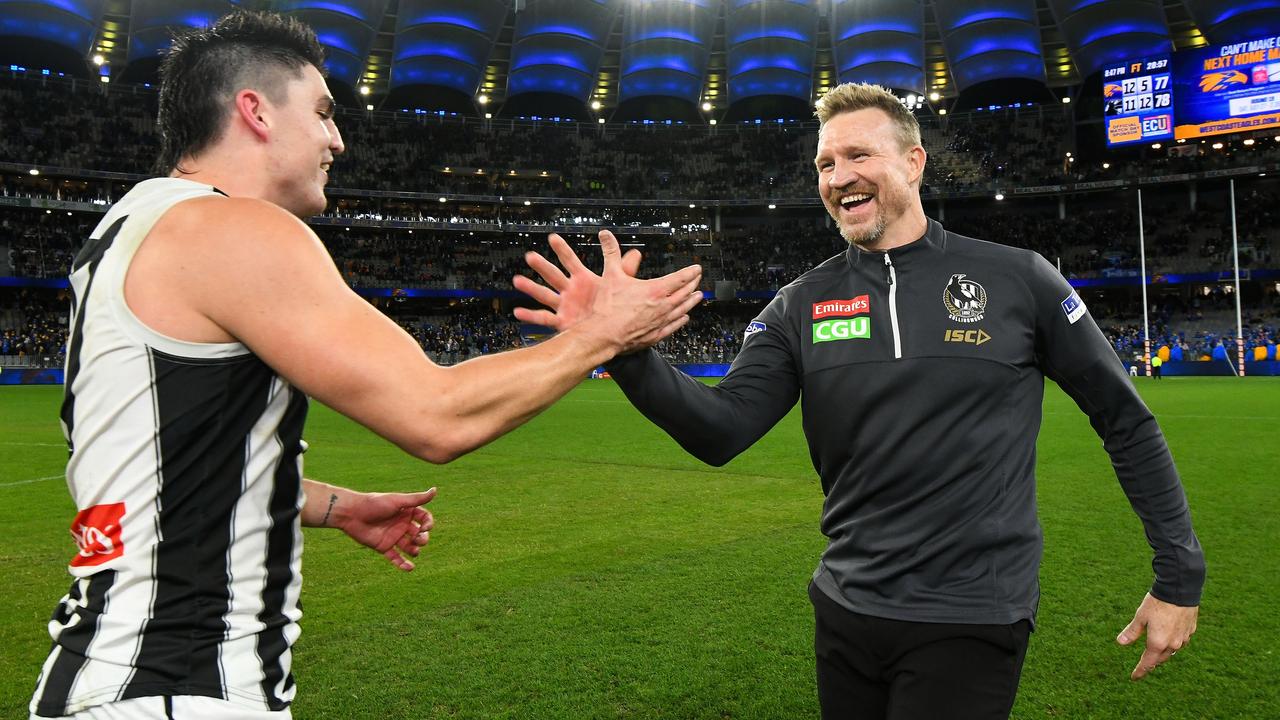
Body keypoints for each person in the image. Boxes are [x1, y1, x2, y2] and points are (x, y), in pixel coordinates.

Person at [31, 11, 701, 720]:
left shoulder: (128, 229)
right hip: (178, 685)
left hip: (111, 674)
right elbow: (436, 416)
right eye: (322, 113)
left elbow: (164, 461)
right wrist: (601, 335)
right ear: (255, 111)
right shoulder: (231, 229)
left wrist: (331, 505)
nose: (336, 139)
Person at [516, 83, 1203, 719]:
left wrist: (1179, 576)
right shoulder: (799, 304)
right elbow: (719, 430)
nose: (837, 176)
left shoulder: (1018, 278)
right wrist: (622, 348)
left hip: (969, 614)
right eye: (824, 163)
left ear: (914, 162)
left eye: (857, 155)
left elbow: (1126, 422)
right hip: (844, 608)